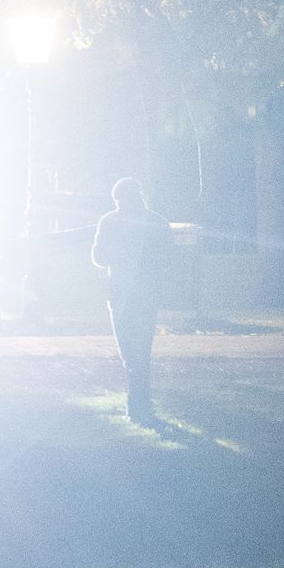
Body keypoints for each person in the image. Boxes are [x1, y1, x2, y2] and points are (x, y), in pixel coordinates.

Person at [91, 177, 175, 430]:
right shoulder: (156, 222)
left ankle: (137, 403)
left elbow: (98, 256)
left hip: (127, 295)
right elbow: (98, 256)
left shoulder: (112, 221)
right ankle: (140, 401)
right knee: (136, 350)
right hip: (135, 295)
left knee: (132, 349)